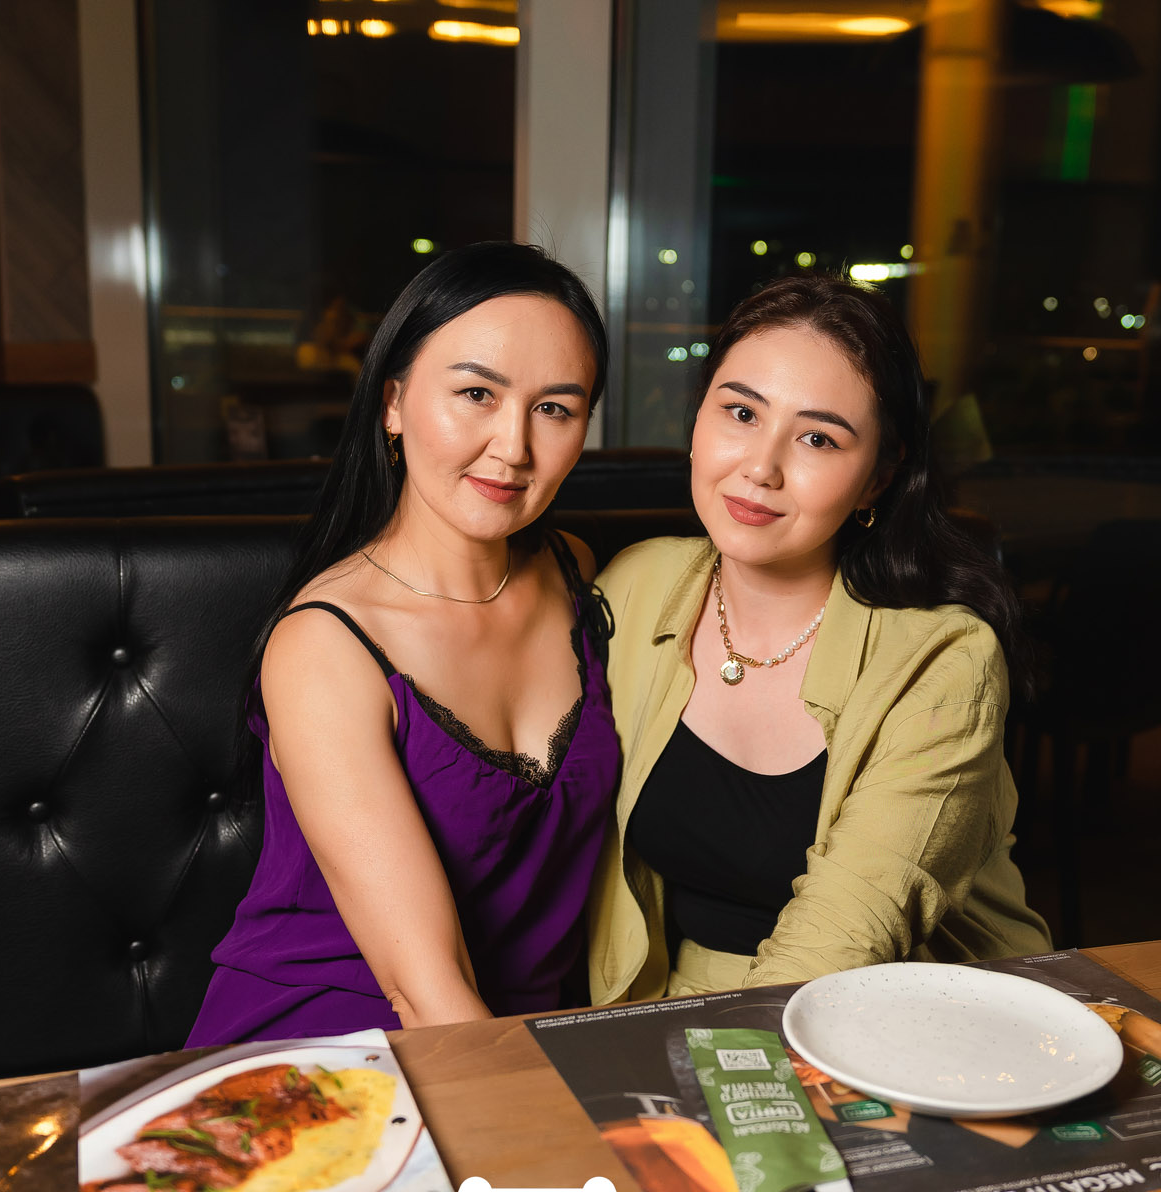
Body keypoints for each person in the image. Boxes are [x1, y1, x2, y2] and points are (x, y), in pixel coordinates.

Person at [189, 242, 619, 1044]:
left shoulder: (576, 573)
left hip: (527, 1038)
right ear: (393, 402)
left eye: (555, 409)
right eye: (476, 393)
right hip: (341, 1043)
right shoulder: (326, 645)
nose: (514, 447)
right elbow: (427, 991)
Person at [588, 274, 1050, 1003]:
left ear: (877, 479)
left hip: (907, 1010)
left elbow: (846, 932)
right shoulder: (636, 584)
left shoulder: (945, 659)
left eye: (817, 438)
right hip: (675, 992)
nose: (760, 467)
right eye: (741, 412)